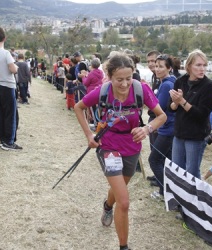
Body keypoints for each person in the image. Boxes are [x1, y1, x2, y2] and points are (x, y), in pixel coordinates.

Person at [74, 53, 166, 250]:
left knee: (119, 189)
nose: (124, 84)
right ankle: (123, 246)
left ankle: (107, 205)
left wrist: (147, 129)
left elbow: (161, 116)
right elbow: (78, 107)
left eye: (128, 78)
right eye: (119, 80)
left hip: (132, 147)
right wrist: (89, 136)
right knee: (123, 202)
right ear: (109, 76)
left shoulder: (141, 89)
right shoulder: (103, 91)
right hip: (108, 146)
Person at [169, 49, 212, 178]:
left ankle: (194, 197)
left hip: (196, 135)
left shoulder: (209, 86)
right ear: (189, 66)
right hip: (179, 133)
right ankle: (179, 196)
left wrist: (182, 101)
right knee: (177, 169)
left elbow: (202, 114)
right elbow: (171, 108)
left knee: (191, 173)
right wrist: (175, 102)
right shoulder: (180, 81)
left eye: (204, 65)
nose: (202, 69)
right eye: (198, 65)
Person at [0, 26, 22, 150]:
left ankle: (3, 139)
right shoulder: (6, 53)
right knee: (10, 114)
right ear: (5, 38)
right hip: (7, 86)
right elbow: (13, 69)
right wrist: (16, 68)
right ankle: (9, 141)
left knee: (0, 114)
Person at [148, 54, 176, 199]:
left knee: (154, 160)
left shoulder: (166, 85)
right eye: (156, 65)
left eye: (161, 66)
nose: (157, 69)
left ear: (169, 68)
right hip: (170, 127)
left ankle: (164, 191)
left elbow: (159, 108)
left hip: (167, 128)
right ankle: (169, 191)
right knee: (167, 161)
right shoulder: (170, 81)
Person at [145, 50, 161, 184]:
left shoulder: (163, 78)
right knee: (153, 148)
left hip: (158, 119)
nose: (150, 64)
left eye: (153, 61)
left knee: (158, 152)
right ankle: (157, 175)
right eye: (148, 61)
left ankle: (161, 178)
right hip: (152, 116)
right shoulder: (154, 77)